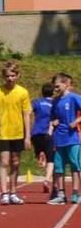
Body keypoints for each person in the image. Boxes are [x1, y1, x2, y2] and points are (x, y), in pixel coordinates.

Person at [0, 60, 31, 205]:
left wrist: (28, 136)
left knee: (16, 162)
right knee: (4, 162)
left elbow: (26, 114)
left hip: (18, 133)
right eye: (7, 76)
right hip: (3, 133)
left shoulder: (23, 92)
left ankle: (13, 192)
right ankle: (4, 193)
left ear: (17, 75)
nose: (10, 78)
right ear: (3, 76)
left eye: (13, 75)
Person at [47, 73, 81, 205]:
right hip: (59, 138)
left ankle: (75, 193)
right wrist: (54, 122)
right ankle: (61, 194)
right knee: (59, 167)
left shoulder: (74, 98)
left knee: (74, 166)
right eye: (54, 87)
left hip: (72, 139)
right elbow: (52, 118)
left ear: (66, 83)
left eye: (57, 86)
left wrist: (77, 120)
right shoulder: (55, 101)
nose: (55, 89)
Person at [31, 82, 56, 198]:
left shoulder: (37, 102)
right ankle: (47, 179)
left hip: (36, 133)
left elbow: (28, 111)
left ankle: (40, 155)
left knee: (40, 150)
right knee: (52, 158)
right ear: (53, 92)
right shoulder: (55, 103)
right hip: (48, 133)